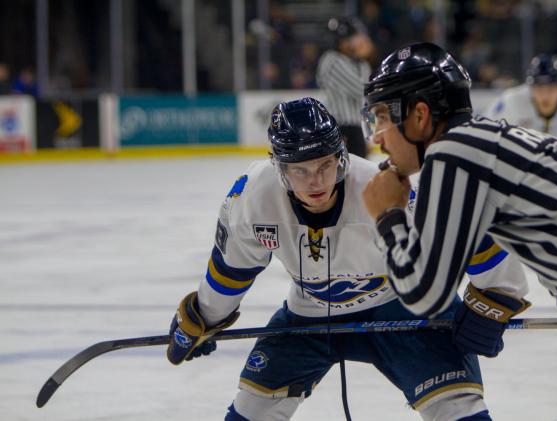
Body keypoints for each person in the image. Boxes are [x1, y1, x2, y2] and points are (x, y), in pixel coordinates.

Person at [166, 97, 528, 420]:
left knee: (459, 409)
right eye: (300, 170)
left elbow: (469, 233)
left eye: (325, 165)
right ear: (279, 168)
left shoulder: (382, 186)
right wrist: (204, 317)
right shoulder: (255, 198)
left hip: (404, 308)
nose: (316, 181)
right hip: (308, 315)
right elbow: (231, 270)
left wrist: (495, 298)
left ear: (340, 155)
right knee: (252, 410)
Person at [362, 42, 557, 421]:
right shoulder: (490, 146)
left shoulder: (455, 151)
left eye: (380, 117)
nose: (376, 136)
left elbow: (425, 293)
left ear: (420, 114)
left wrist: (387, 215)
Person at [484, 53, 557, 140]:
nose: (545, 96)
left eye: (550, 88)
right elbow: (488, 136)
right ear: (530, 88)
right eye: (539, 88)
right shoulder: (510, 102)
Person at [316, 17, 374, 158]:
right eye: (350, 39)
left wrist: (368, 134)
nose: (355, 42)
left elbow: (366, 102)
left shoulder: (361, 64)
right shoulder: (331, 59)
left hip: (357, 129)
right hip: (341, 128)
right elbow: (361, 90)